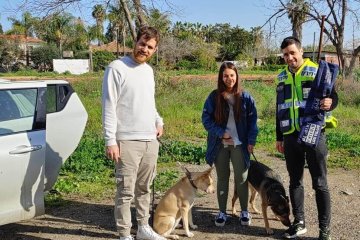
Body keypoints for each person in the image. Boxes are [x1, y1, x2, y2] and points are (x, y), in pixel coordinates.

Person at [102, 26, 166, 240]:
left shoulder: (148, 71)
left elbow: (150, 103)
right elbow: (109, 106)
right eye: (142, 44)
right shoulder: (116, 68)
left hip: (150, 140)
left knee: (145, 189)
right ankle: (123, 233)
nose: (144, 49)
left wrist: (158, 121)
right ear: (135, 42)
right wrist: (110, 140)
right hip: (127, 141)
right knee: (126, 191)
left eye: (150, 47)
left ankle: (143, 228)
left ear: (154, 50)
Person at [275, 36, 338, 240]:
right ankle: (299, 222)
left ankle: (324, 229)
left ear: (301, 52)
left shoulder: (318, 70)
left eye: (292, 53)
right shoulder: (281, 76)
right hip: (290, 136)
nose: (289, 57)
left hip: (314, 133)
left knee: (320, 183)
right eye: (285, 54)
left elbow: (332, 95)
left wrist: (330, 102)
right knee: (295, 181)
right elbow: (280, 108)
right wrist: (279, 136)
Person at [202, 61, 258, 227]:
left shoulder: (246, 98)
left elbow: (253, 122)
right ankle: (221, 212)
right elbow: (206, 119)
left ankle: (244, 212)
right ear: (221, 77)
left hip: (240, 145)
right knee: (223, 178)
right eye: (225, 75)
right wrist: (221, 133)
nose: (229, 79)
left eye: (232, 75)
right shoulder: (214, 97)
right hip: (220, 145)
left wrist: (251, 141)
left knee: (241, 178)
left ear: (237, 76)